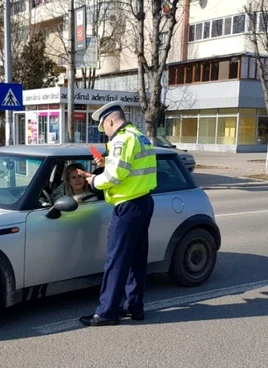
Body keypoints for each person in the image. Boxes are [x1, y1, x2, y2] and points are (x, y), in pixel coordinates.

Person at [77, 101, 157, 327]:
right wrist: (105, 162)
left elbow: (114, 177)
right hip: (143, 202)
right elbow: (130, 168)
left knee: (117, 260)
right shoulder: (139, 136)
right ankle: (135, 307)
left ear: (110, 121)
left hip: (128, 206)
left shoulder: (122, 139)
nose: (106, 133)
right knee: (136, 259)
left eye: (105, 128)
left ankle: (107, 312)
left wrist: (93, 181)